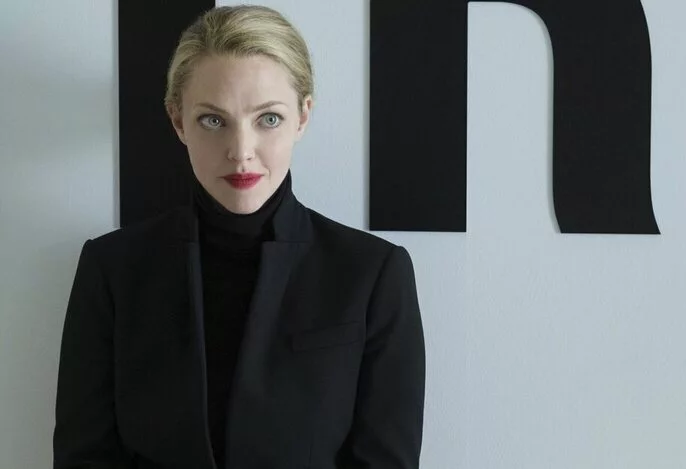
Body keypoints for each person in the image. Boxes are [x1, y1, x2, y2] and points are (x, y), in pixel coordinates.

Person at [53, 5, 426, 469]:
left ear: (303, 116)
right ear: (177, 120)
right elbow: (84, 457)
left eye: (268, 119)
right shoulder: (112, 270)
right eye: (214, 120)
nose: (241, 152)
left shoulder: (372, 274)